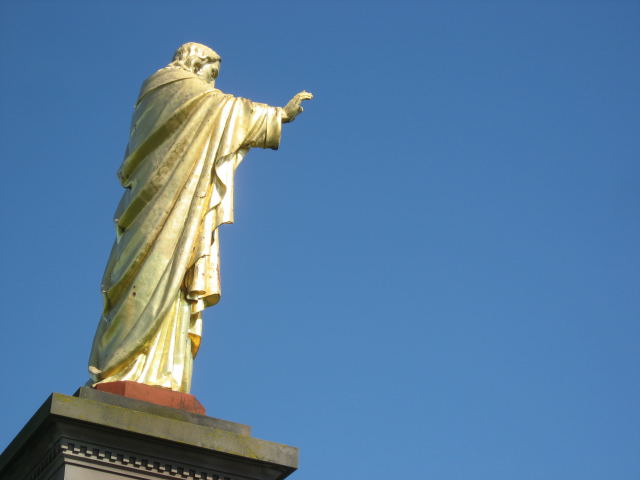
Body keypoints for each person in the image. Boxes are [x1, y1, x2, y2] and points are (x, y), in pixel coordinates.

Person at [88, 42, 312, 393]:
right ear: (196, 62)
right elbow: (217, 107)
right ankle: (124, 365)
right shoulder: (167, 86)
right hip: (157, 201)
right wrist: (277, 115)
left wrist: (276, 116)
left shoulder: (192, 96)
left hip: (183, 202)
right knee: (147, 272)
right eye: (212, 72)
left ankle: (164, 372)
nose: (213, 82)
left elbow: (219, 108)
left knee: (177, 278)